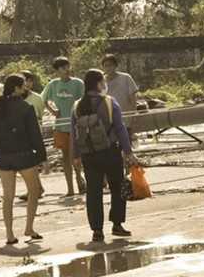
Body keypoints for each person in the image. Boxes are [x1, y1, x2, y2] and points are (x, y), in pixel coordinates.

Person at [70, 69, 137, 243]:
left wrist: (75, 156)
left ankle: (97, 231)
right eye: (103, 81)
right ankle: (117, 224)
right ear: (99, 84)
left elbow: (74, 133)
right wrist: (128, 151)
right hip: (110, 152)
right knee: (117, 188)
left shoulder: (77, 106)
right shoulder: (109, 102)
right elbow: (120, 128)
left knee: (93, 192)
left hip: (88, 155)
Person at [0, 74, 47, 246]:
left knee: (8, 196)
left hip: (4, 157)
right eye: (23, 86)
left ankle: (9, 234)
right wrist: (42, 157)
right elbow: (35, 135)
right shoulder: (26, 107)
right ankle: (29, 227)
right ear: (16, 88)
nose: (26, 89)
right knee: (34, 190)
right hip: (24, 155)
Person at [42, 57, 86, 196]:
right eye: (62, 68)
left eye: (67, 67)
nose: (66, 70)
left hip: (76, 126)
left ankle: (80, 181)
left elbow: (84, 102)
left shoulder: (78, 83)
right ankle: (70, 189)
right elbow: (43, 99)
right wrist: (53, 111)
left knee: (77, 157)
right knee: (65, 158)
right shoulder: (53, 84)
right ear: (57, 71)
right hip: (61, 126)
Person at [20, 70, 47, 200]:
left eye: (29, 80)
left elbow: (40, 115)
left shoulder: (37, 98)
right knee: (26, 163)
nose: (27, 84)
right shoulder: (15, 98)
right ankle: (35, 188)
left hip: (34, 133)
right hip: (20, 134)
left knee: (32, 162)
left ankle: (35, 189)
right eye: (24, 81)